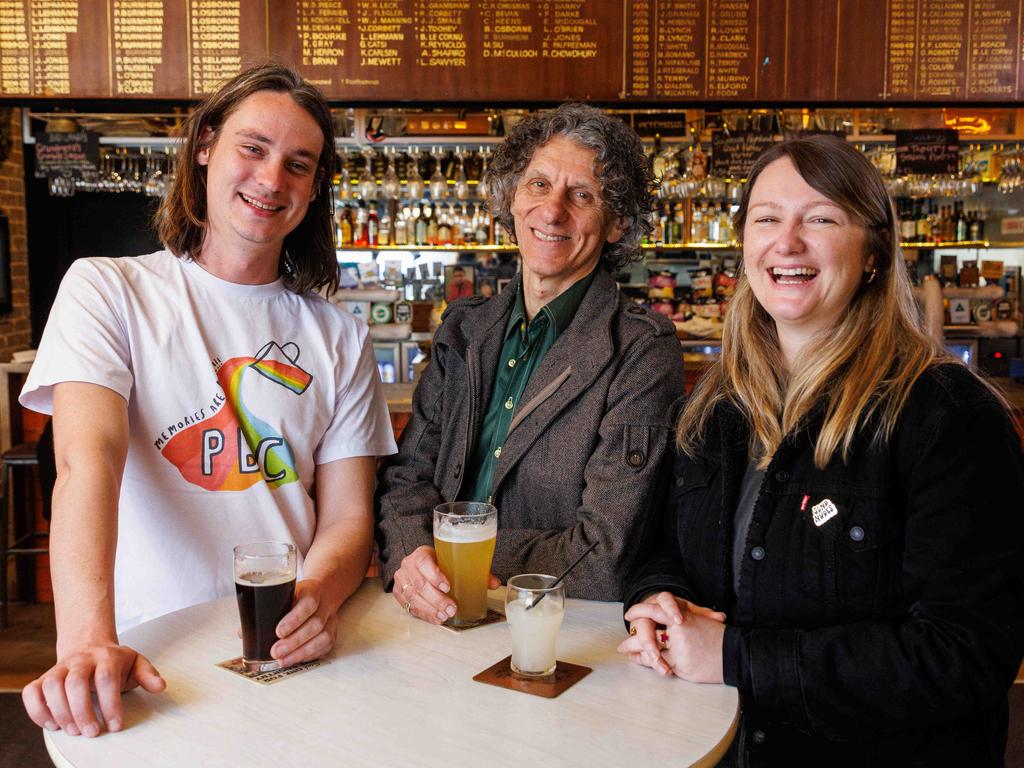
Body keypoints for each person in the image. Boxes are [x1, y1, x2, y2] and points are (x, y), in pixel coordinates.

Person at [618, 135, 1024, 765]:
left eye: (821, 219)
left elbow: (965, 655)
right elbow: (664, 549)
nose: (787, 243)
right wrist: (658, 605)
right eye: (768, 220)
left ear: (873, 252)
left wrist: (735, 658)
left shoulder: (948, 417)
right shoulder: (716, 406)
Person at [19, 64, 397, 737]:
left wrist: (320, 595)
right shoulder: (108, 291)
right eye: (252, 148)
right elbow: (87, 463)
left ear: (313, 191)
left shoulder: (339, 332)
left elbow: (347, 515)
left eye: (298, 164)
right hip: (146, 653)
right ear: (205, 149)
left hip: (288, 654)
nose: (271, 178)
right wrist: (84, 641)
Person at [376, 103, 685, 624]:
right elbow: (407, 479)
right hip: (426, 616)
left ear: (617, 224)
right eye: (538, 185)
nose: (553, 211)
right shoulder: (464, 328)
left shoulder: (640, 350)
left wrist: (455, 557)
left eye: (582, 195)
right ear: (511, 197)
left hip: (552, 629)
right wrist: (412, 559)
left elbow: (606, 552)